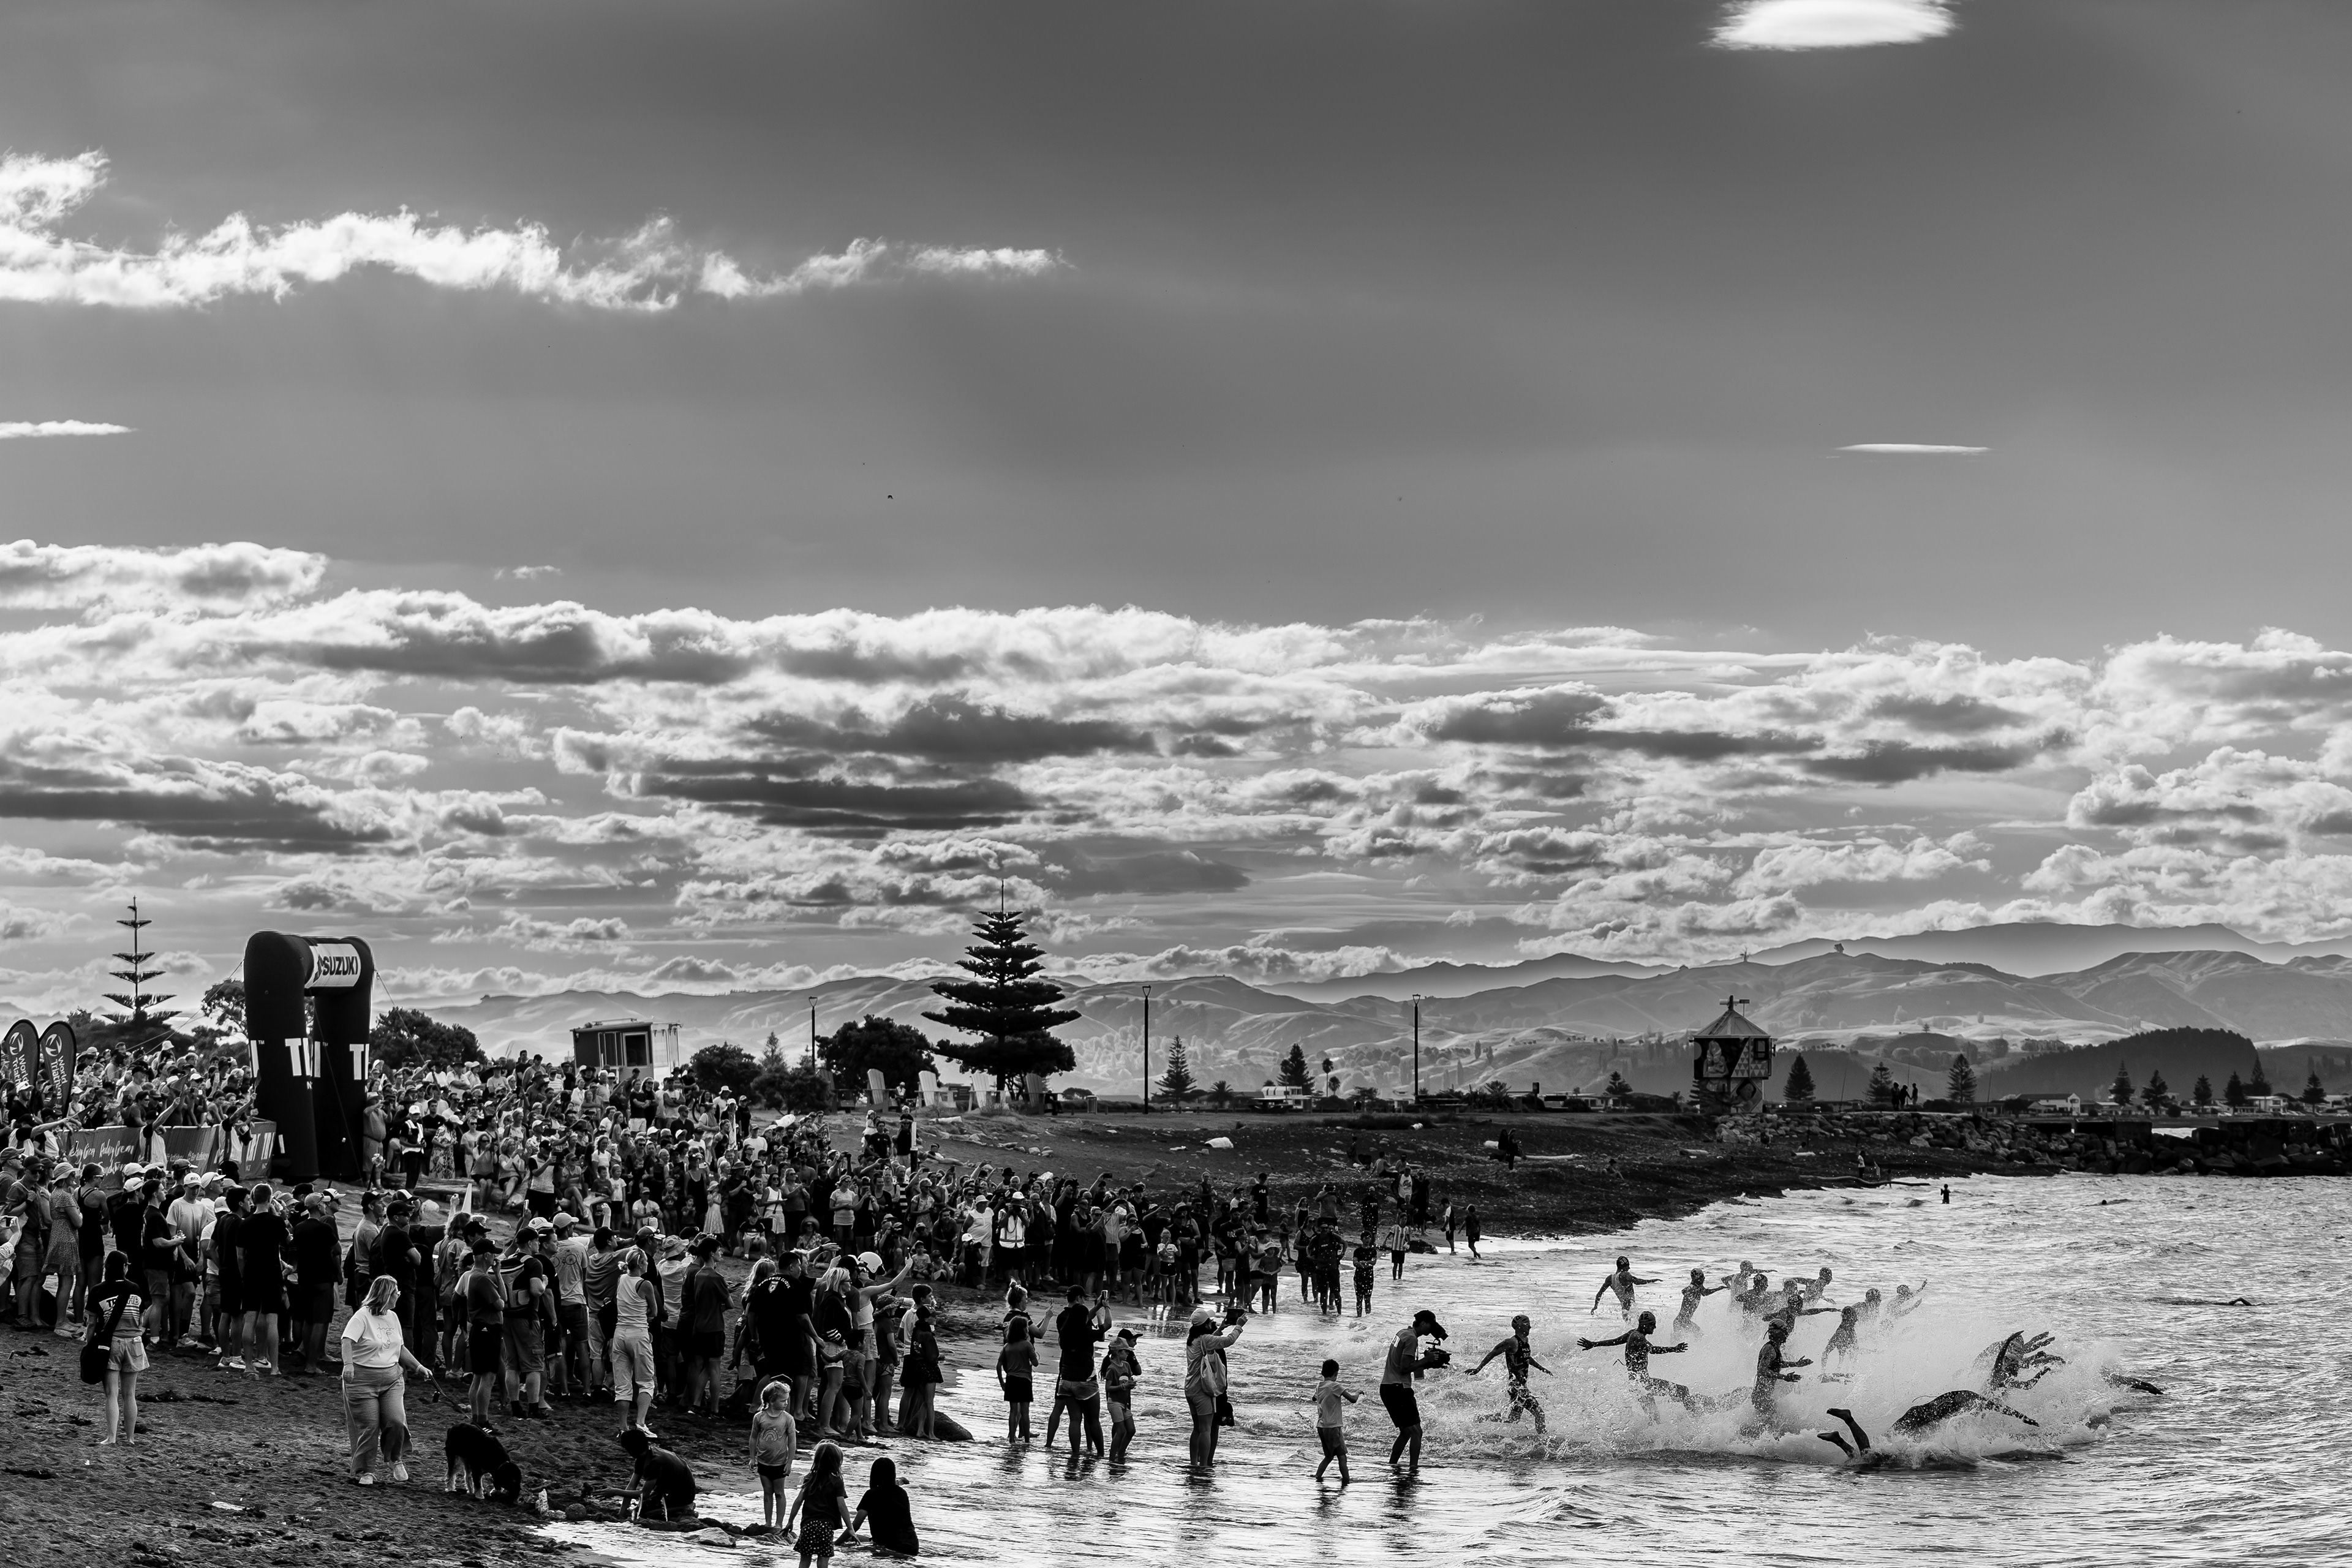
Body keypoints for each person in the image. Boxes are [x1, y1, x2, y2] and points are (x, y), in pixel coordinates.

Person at [340, 1275, 437, 1485]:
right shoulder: (361, 1317)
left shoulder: (393, 1317)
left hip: (392, 1379)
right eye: (396, 1293)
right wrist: (348, 1364)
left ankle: (395, 1459)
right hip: (362, 1381)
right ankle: (367, 1471)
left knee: (396, 1421)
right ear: (386, 1295)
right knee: (369, 1426)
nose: (398, 1296)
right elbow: (347, 1341)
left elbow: (399, 1348)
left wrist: (418, 1367)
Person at [1815, 1395, 2038, 1465]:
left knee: (1871, 1457)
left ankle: (1839, 1441)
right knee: (1872, 1456)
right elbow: (2000, 1407)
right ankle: (1849, 1419)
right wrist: (2024, 1418)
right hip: (1915, 1421)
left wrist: (2024, 1418)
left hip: (1915, 1416)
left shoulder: (1964, 1396)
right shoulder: (1972, 1399)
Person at [1579, 1310, 1694, 1414]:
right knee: (1683, 1391)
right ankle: (1695, 1417)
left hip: (1637, 1384)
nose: (1655, 1327)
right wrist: (1674, 1349)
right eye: (1652, 1324)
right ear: (1645, 1325)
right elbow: (1653, 1350)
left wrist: (1594, 1344)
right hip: (1645, 1384)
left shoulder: (1633, 1333)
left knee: (1654, 1417)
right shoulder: (1638, 1337)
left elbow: (1615, 1341)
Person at [85, 1249, 145, 1447]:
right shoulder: (135, 1288)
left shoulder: (98, 1290)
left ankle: (111, 1438)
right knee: (130, 1394)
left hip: (110, 1343)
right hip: (134, 1343)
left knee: (112, 1393)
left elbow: (91, 1324)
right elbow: (141, 1318)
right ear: (125, 1267)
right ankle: (130, 1438)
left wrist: (90, 1347)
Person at [1379, 1309, 1449, 1471]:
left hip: (1388, 1387)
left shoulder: (1403, 1333)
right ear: (1423, 1324)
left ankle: (1392, 1465)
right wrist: (1427, 1359)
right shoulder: (1412, 1339)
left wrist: (1426, 1364)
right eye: (1430, 1326)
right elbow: (1404, 1368)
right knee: (1417, 1432)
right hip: (1399, 1389)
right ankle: (1413, 1470)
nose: (1431, 1330)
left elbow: (1403, 1363)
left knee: (1406, 1432)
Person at [1467, 1313, 1553, 1433]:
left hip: (1521, 1387)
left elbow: (1526, 1357)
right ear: (1519, 1326)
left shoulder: (1525, 1341)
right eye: (1527, 1324)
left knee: (1513, 1420)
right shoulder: (1511, 1342)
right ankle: (1543, 1439)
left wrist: (1542, 1368)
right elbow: (1493, 1352)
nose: (1530, 1327)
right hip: (1517, 1388)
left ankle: (1483, 1418)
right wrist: (1478, 1369)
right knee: (1540, 1414)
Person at [238, 1183, 289, 1379]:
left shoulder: (245, 1223)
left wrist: (244, 1275)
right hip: (272, 1272)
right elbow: (287, 1240)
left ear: (253, 1199)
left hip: (252, 1273)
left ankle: (249, 1365)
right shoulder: (276, 1222)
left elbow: (240, 1255)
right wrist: (277, 1214)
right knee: (272, 1320)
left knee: (250, 1318)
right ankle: (274, 1367)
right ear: (269, 1199)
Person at [1046, 1283, 1104, 1455]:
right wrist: (1102, 1310)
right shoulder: (1083, 1328)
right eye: (1084, 1299)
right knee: (1089, 1416)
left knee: (1066, 1412)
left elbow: (1080, 1319)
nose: (1085, 1302)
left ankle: (1055, 1447)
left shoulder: (1062, 1318)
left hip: (1066, 1370)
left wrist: (1097, 1307)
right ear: (1079, 1298)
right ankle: (1093, 1450)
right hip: (1083, 1372)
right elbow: (1101, 1331)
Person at [1184, 1305, 1245, 1468]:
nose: (1211, 1322)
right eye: (1209, 1321)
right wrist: (1239, 1326)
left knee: (1197, 1429)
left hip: (1190, 1388)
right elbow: (1228, 1341)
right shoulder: (1205, 1339)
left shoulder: (1193, 1340)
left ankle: (1194, 1464)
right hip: (1202, 1390)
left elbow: (1210, 1342)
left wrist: (1220, 1329)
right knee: (1206, 1430)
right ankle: (1204, 1466)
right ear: (1205, 1325)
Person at [610, 1244, 661, 1433]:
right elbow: (654, 1311)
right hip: (638, 1333)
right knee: (646, 1381)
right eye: (646, 1261)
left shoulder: (622, 1279)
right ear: (640, 1264)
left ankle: (623, 1427)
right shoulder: (645, 1284)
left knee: (622, 1385)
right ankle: (640, 1423)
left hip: (620, 1332)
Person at [840, 1454, 919, 1558]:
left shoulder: (871, 1494)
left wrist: (836, 1544)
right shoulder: (902, 1493)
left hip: (890, 1546)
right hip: (913, 1546)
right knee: (853, 1539)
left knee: (847, 1541)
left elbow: (855, 1526)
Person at [783, 1438, 847, 1566]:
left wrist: (790, 1522)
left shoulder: (809, 1479)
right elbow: (842, 1506)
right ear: (836, 1463)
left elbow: (798, 1501)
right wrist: (850, 1528)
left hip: (808, 1525)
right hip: (826, 1527)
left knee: (804, 1560)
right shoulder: (837, 1481)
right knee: (823, 1560)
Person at [618, 1426, 698, 1521]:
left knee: (645, 1514)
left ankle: (685, 1507)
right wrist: (621, 1514)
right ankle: (674, 1510)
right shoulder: (644, 1456)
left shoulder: (655, 1462)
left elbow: (644, 1494)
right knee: (639, 1510)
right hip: (666, 1489)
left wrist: (615, 1492)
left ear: (632, 1450)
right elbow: (632, 1486)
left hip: (684, 1495)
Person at [750, 1379, 799, 1529]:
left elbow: (792, 1442)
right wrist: (752, 1458)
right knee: (767, 1493)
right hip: (763, 1461)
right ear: (772, 1401)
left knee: (779, 1493)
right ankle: (768, 1522)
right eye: (783, 1401)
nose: (786, 1403)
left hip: (780, 1462)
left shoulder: (788, 1419)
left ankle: (779, 1524)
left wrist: (790, 1462)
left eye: (787, 1400)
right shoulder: (759, 1417)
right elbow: (753, 1437)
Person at [1746, 1320, 1811, 1431]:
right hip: (1761, 1396)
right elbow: (1762, 1370)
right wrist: (1784, 1377)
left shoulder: (1775, 1348)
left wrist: (1796, 1364)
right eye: (1784, 1331)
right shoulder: (1769, 1349)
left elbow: (1777, 1364)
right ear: (1776, 1333)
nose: (1787, 1334)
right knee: (1771, 1427)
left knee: (1769, 1426)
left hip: (1764, 1396)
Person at [1310, 1356, 1358, 1483]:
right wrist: (1358, 1393)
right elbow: (1353, 1400)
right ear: (1336, 1374)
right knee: (1342, 1457)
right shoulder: (1335, 1386)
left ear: (1323, 1372)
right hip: (1333, 1427)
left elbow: (1314, 1398)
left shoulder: (1319, 1386)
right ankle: (1346, 1481)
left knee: (1329, 1456)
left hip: (1322, 1427)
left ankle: (1318, 1476)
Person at [1100, 1327, 1140, 1462]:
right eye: (1126, 1351)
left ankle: (1120, 1455)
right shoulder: (1112, 1368)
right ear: (1118, 1352)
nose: (1128, 1354)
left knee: (1131, 1430)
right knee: (1121, 1431)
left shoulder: (1127, 1366)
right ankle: (1112, 1459)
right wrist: (1124, 1386)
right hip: (1115, 1402)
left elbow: (1128, 1379)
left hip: (1124, 1403)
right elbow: (1108, 1388)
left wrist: (1130, 1383)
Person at [997, 1314, 1038, 1444]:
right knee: (1025, 1412)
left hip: (1011, 1380)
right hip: (1025, 1381)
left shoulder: (1007, 1346)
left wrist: (1002, 1382)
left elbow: (999, 1365)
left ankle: (1012, 1440)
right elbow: (1035, 1363)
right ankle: (1027, 1441)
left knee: (1013, 1411)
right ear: (1024, 1330)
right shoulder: (1027, 1345)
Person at [1591, 1256, 1656, 1319]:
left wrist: (1595, 1306)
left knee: (1630, 1323)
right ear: (1623, 1267)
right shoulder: (1625, 1275)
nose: (1629, 1268)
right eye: (1628, 1266)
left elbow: (1600, 1293)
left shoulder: (1610, 1279)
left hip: (1625, 1310)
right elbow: (1637, 1281)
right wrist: (1652, 1281)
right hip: (1631, 1307)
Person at [1673, 1268, 1727, 1336]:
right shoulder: (1692, 1287)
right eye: (1702, 1276)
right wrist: (1691, 1291)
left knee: (1700, 1335)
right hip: (1681, 1322)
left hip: (1684, 1322)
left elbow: (1705, 1293)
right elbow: (1684, 1291)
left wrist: (1720, 1288)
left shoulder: (1698, 1287)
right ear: (1696, 1278)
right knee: (1698, 1336)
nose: (1704, 1278)